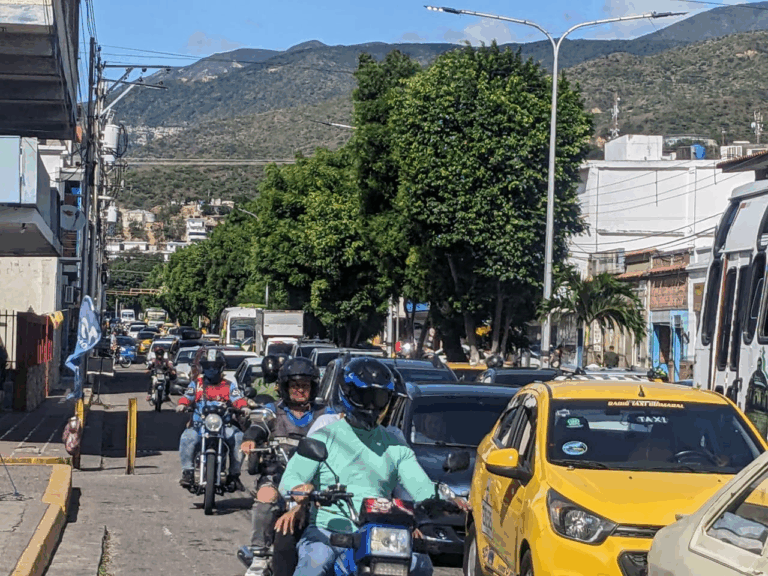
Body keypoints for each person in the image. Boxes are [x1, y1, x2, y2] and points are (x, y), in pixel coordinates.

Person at [279, 357, 468, 576]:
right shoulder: (324, 437)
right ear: (348, 394)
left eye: (379, 398)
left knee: (421, 565)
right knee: (315, 562)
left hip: (382, 534)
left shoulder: (396, 445)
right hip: (329, 531)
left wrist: (446, 500)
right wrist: (301, 489)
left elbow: (421, 487)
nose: (372, 406)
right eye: (365, 397)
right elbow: (289, 481)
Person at [238, 357, 334, 576]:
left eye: (305, 386)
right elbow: (259, 425)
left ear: (313, 387)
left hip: (314, 478)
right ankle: (260, 554)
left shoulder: (326, 414)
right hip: (277, 474)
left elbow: (341, 433)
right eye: (295, 386)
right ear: (284, 387)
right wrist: (251, 438)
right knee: (265, 496)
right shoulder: (274, 410)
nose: (300, 391)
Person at [176, 349, 248, 490]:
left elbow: (237, 399)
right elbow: (187, 396)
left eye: (215, 366)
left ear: (221, 368)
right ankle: (188, 472)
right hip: (199, 425)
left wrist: (244, 407)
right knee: (186, 438)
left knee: (238, 437)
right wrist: (182, 405)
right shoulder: (197, 384)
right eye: (208, 366)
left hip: (224, 425)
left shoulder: (228, 385)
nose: (211, 370)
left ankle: (234, 474)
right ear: (203, 367)